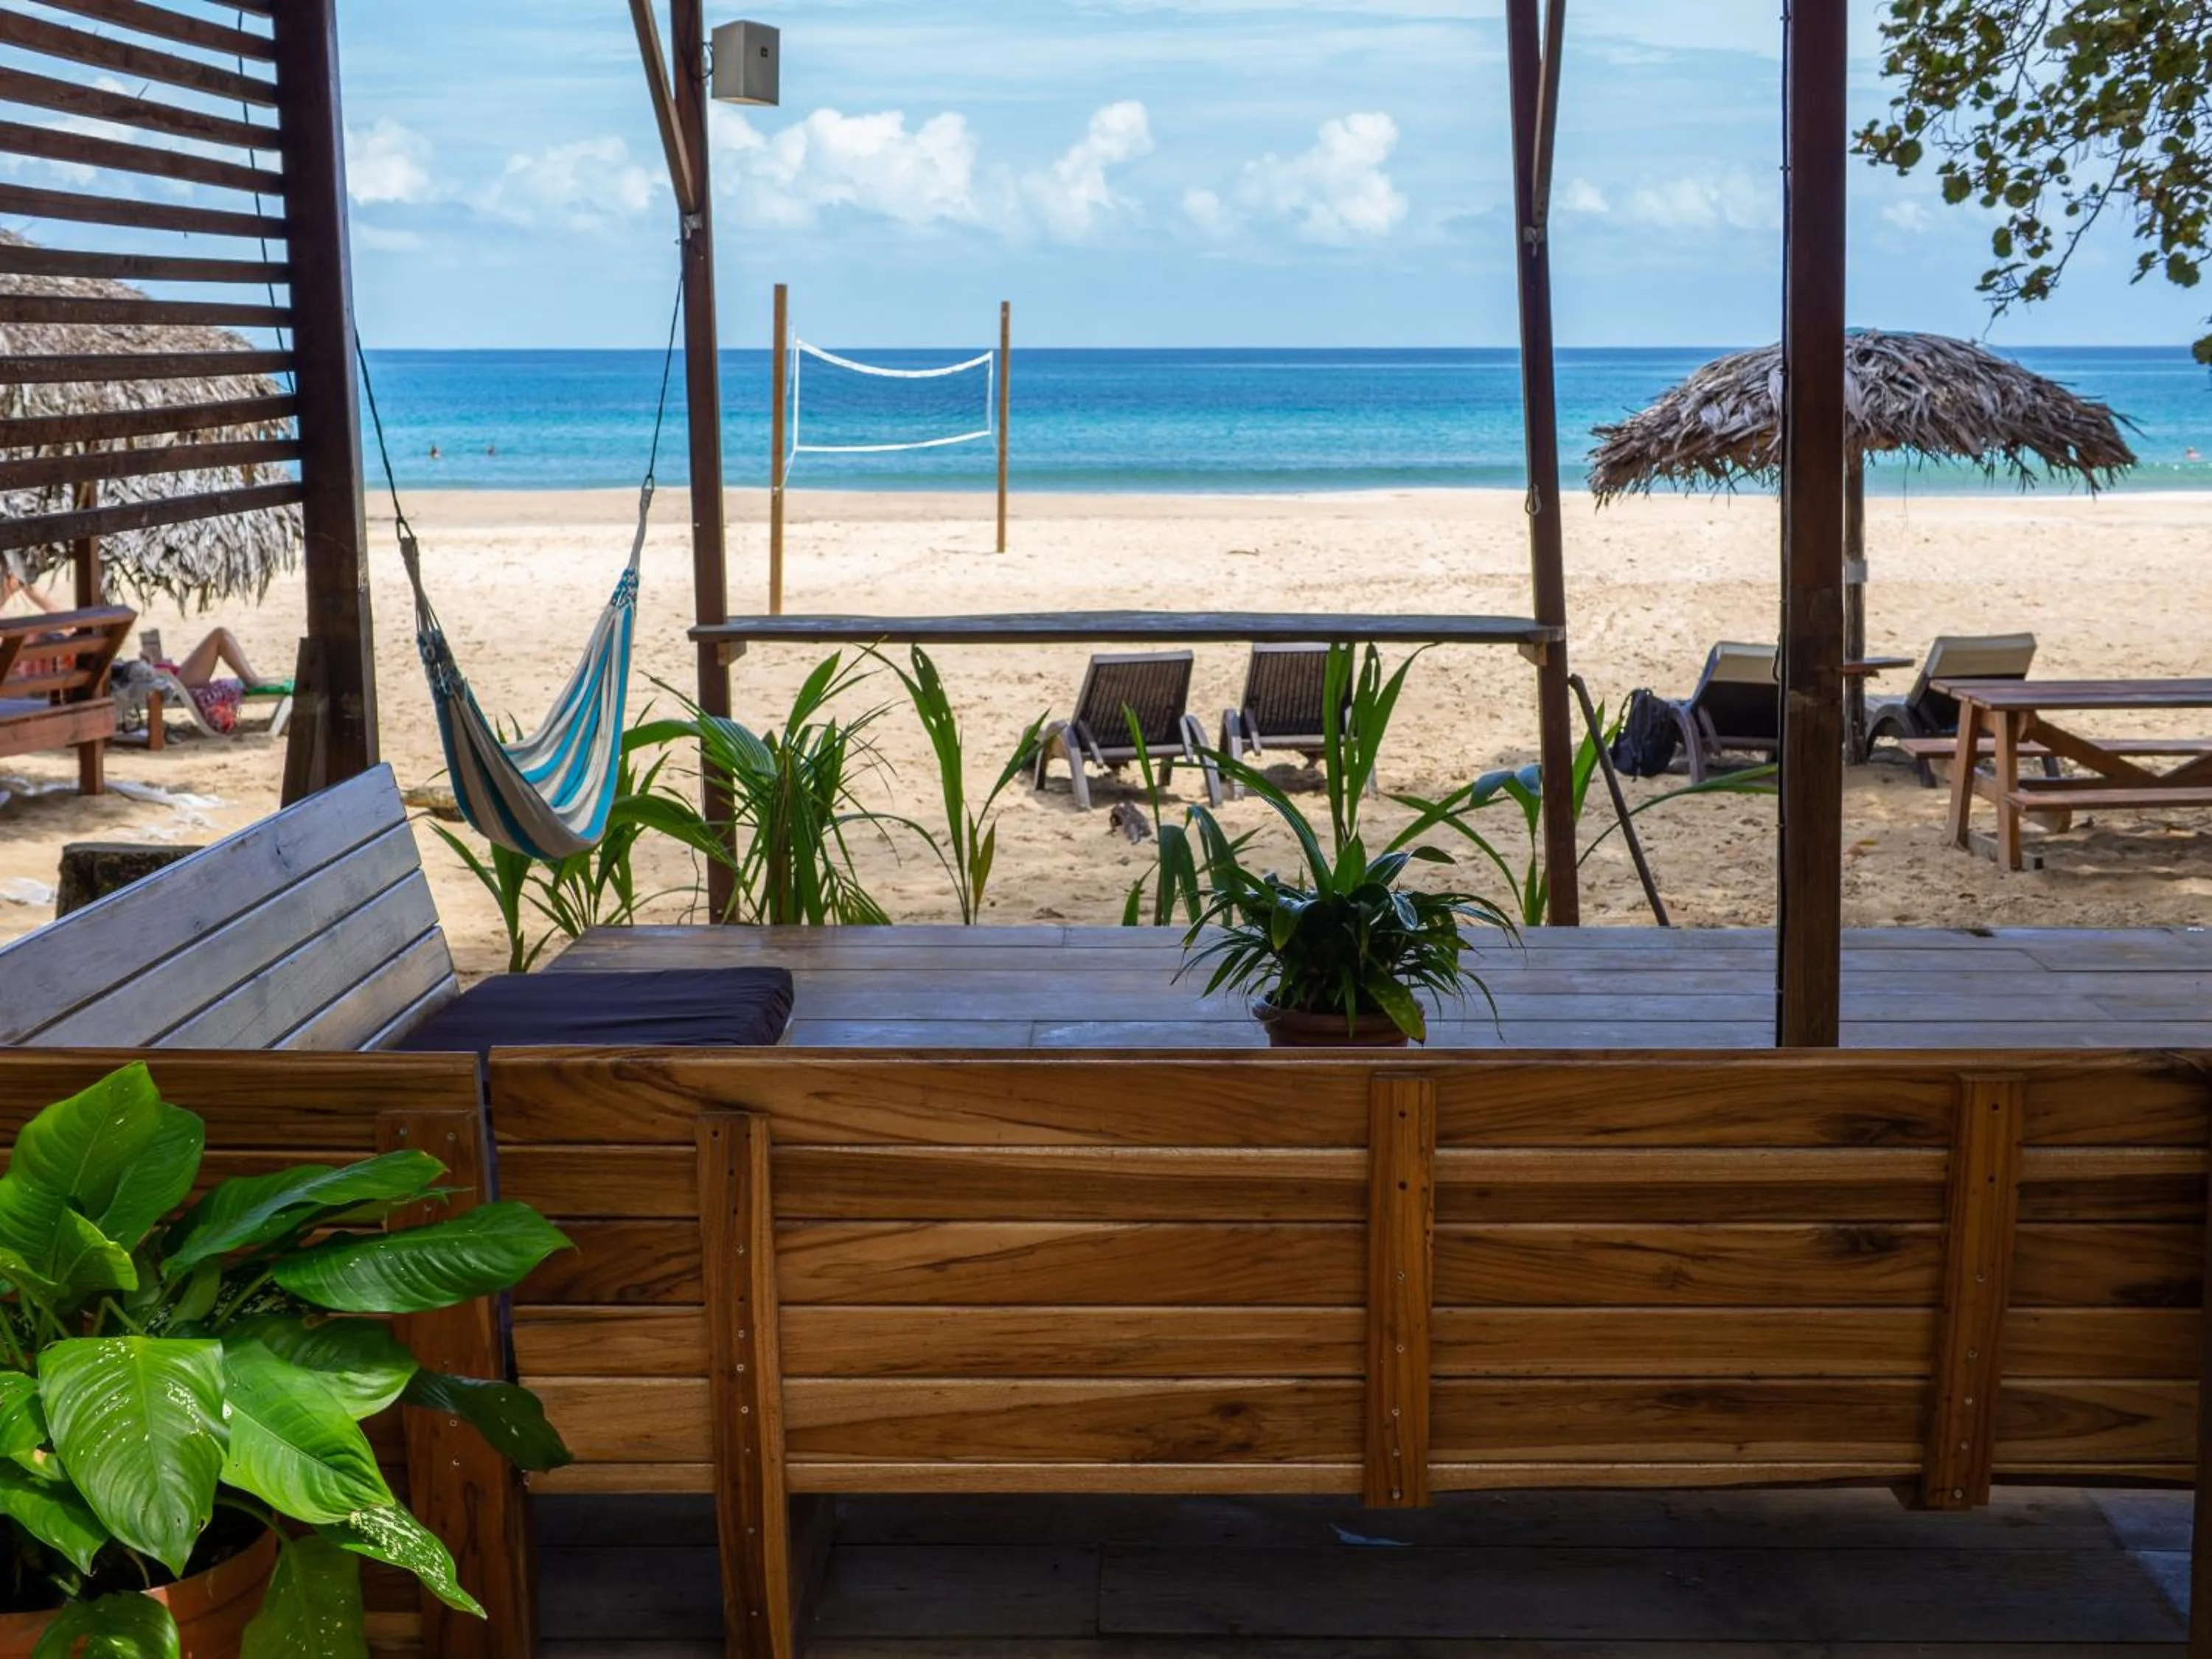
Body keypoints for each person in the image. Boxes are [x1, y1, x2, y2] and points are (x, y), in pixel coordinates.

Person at [145, 627, 282, 737]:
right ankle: (251, 680)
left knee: (223, 633)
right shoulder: (137, 671)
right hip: (177, 682)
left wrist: (160, 662)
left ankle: (251, 677)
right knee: (219, 635)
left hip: (175, 675)